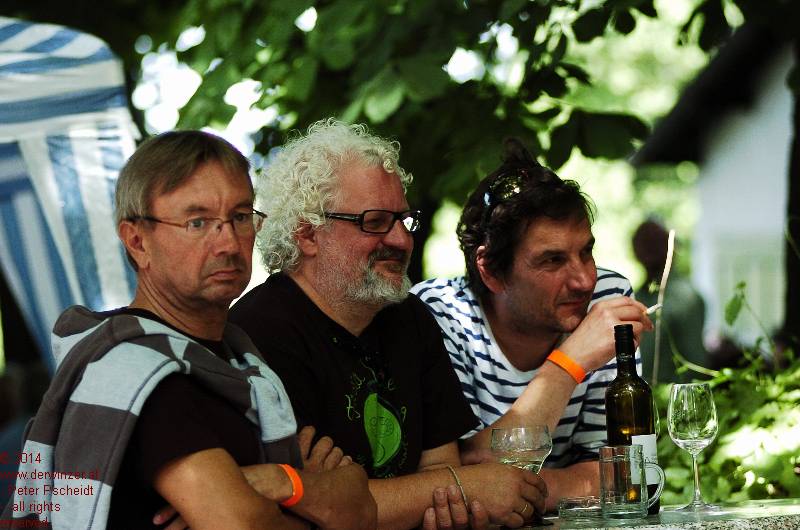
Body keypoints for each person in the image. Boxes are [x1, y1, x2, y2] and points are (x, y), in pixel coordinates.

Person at [1, 130, 375, 530]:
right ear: (137, 241)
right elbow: (249, 525)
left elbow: (362, 509)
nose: (228, 243)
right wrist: (313, 493)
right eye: (198, 222)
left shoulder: (237, 356)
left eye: (240, 216)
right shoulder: (138, 372)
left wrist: (283, 482)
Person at [230, 119, 547, 530]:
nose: (401, 240)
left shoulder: (409, 317)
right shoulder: (259, 333)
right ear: (307, 234)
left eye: (404, 220)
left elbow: (440, 472)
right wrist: (468, 486)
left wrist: (423, 492)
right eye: (375, 221)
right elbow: (308, 508)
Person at [410, 138, 654, 511]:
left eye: (586, 251)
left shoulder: (606, 298)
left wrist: (501, 487)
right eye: (552, 260)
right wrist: (569, 363)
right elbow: (450, 478)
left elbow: (627, 474)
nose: (583, 280)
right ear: (491, 270)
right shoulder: (437, 314)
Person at [632, 219, 708, 383]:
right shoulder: (635, 297)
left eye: (654, 244)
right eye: (644, 244)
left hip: (673, 395)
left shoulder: (685, 298)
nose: (647, 250)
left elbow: (695, 364)